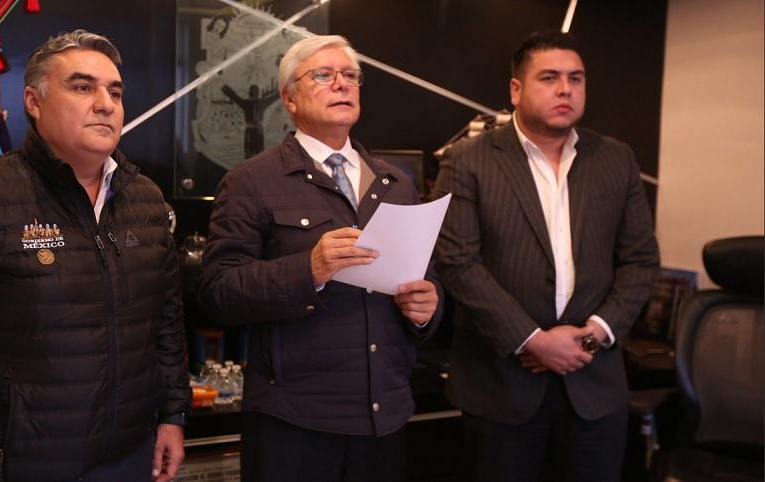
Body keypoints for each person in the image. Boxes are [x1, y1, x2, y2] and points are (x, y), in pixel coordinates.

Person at [0, 30, 190, 482]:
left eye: (115, 92)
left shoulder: (145, 198)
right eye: (83, 87)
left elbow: (165, 323)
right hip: (13, 465)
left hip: (128, 458)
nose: (105, 104)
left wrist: (172, 415)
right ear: (34, 101)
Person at [199, 35, 444, 482]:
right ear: (289, 98)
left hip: (385, 418)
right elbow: (218, 292)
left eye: (350, 75)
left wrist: (428, 308)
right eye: (324, 75)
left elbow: (425, 282)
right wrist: (307, 270)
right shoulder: (251, 181)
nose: (342, 84)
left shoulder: (396, 183)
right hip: (294, 424)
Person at [433, 30, 659, 481]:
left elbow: (640, 261)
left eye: (576, 79)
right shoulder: (468, 159)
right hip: (501, 388)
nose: (565, 90)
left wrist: (591, 337)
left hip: (595, 389)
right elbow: (458, 263)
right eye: (550, 78)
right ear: (516, 89)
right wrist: (533, 340)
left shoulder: (615, 158)